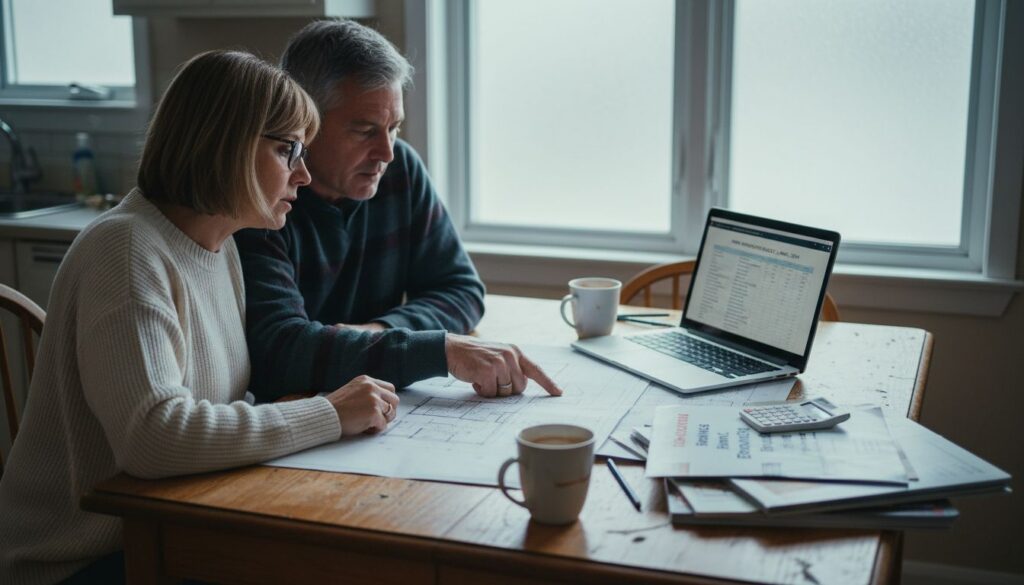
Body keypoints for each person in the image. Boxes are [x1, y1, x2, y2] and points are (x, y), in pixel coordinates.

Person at [0, 50, 400, 585]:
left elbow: (211, 404)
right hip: (80, 560)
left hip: (167, 526)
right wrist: (326, 414)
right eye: (288, 150)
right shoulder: (126, 251)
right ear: (227, 144)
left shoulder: (218, 246)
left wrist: (291, 411)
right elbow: (154, 436)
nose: (303, 174)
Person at [235, 20, 563, 401]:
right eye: (364, 131)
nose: (386, 153)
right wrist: (436, 349)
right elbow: (281, 350)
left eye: (394, 128)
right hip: (292, 411)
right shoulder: (263, 196)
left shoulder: (400, 168)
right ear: (304, 122)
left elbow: (460, 289)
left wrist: (378, 332)